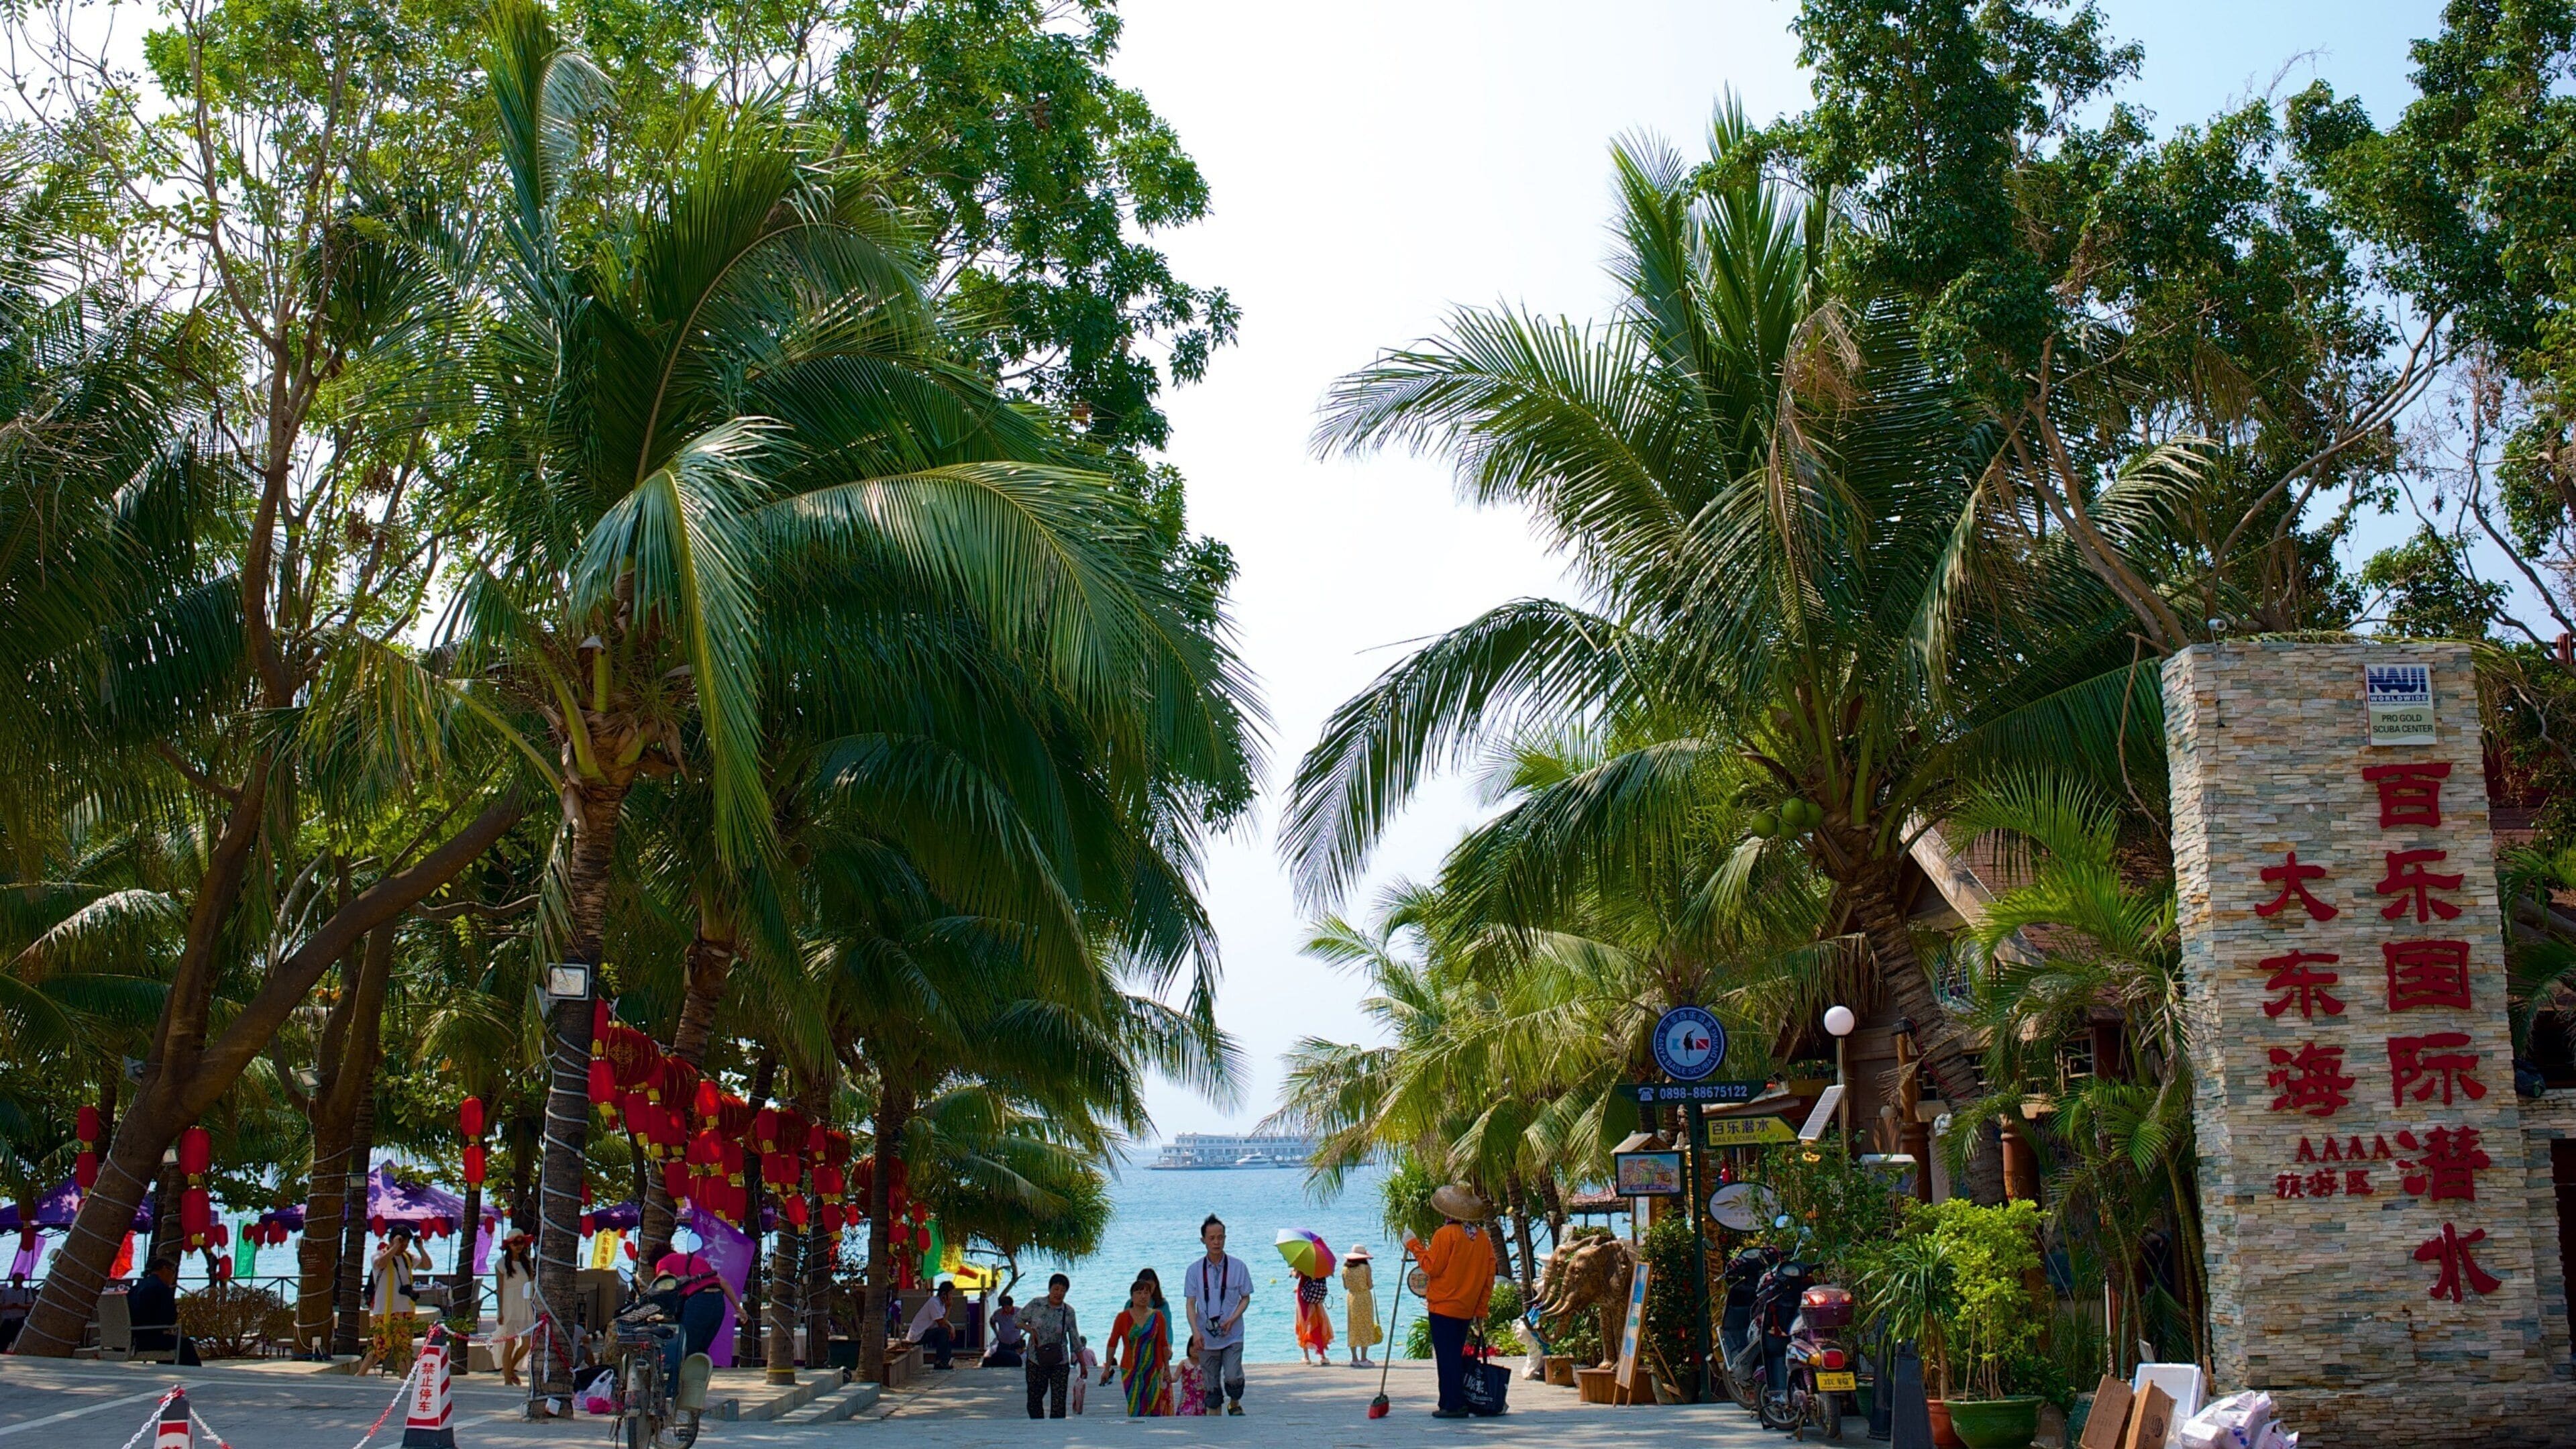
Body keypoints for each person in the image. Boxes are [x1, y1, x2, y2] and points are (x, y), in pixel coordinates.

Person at [1403, 1183, 1498, 1419]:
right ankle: (1454, 1400)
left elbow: (1431, 1268)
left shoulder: (1446, 1235)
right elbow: (1489, 1277)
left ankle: (1453, 1404)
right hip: (1466, 1307)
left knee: (1447, 1357)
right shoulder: (1482, 1238)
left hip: (1444, 1306)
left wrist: (1414, 1245)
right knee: (1454, 1354)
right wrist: (1481, 1309)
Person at [653, 1229, 744, 1393]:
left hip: (699, 1301)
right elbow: (724, 1283)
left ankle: (676, 1393)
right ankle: (696, 1392)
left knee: (685, 1349)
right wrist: (739, 1308)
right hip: (718, 1303)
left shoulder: (663, 1262)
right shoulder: (697, 1260)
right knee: (701, 1350)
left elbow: (665, 1281)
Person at [1182, 1213, 1251, 1415]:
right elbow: (1190, 1303)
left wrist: (1233, 1318)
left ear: (1225, 1238)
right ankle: (1216, 1428)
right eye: (1212, 1238)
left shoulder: (1238, 1267)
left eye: (1220, 1237)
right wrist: (1195, 1332)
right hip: (1206, 1336)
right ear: (1203, 1240)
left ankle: (1235, 1402)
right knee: (1211, 1388)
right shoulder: (1194, 1270)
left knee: (1232, 1377)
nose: (1216, 1242)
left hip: (1233, 1334)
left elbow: (1245, 1297)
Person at [355, 1227, 432, 1375]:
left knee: (404, 1348)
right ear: (392, 1240)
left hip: (405, 1310)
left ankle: (405, 1378)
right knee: (380, 1348)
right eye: (401, 1244)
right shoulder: (379, 1254)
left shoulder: (408, 1258)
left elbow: (428, 1266)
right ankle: (360, 1375)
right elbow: (381, 1264)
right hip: (384, 1310)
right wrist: (395, 1247)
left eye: (406, 1245)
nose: (403, 1248)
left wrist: (420, 1248)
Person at [1101, 1273, 1172, 1415]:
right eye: (1139, 1293)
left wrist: (1167, 1369)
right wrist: (1107, 1368)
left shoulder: (1158, 1316)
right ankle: (1136, 1437)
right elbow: (1112, 1344)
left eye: (1146, 1293)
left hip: (1152, 1370)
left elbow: (1164, 1343)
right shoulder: (1123, 1318)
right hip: (1130, 1369)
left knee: (1154, 1409)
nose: (1143, 1296)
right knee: (1135, 1408)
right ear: (1132, 1296)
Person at [1021, 1273, 1079, 1418]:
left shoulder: (1068, 1311)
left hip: (1060, 1359)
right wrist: (1029, 1329)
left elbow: (1074, 1338)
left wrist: (1082, 1364)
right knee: (1034, 1397)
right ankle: (1037, 1426)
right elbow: (1018, 1319)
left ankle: (1056, 1432)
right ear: (1050, 1289)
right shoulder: (1036, 1304)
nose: (1059, 1293)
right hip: (1036, 1357)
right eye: (1056, 1289)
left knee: (1059, 1400)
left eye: (1063, 1290)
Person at [125, 1257, 201, 1366]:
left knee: (170, 1341)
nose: (173, 1277)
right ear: (165, 1269)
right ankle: (194, 1374)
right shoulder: (161, 1288)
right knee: (185, 1344)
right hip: (145, 1340)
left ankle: (167, 1368)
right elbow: (169, 1320)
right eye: (173, 1272)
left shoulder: (137, 1287)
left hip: (131, 1337)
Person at [494, 1234, 537, 1385]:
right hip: (509, 1305)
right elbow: (500, 1289)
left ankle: (510, 1370)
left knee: (527, 1343)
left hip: (524, 1304)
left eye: (521, 1243)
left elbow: (532, 1284)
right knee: (510, 1343)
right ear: (509, 1245)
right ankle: (507, 1380)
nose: (518, 1246)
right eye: (515, 1243)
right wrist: (500, 1312)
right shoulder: (501, 1264)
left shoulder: (527, 1262)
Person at [906, 1279, 957, 1370]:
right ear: (944, 1294)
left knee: (947, 1331)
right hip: (918, 1335)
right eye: (950, 1294)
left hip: (926, 1331)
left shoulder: (941, 1304)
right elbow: (941, 1323)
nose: (952, 1297)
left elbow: (942, 1319)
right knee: (944, 1331)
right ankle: (939, 1361)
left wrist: (951, 1327)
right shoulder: (934, 1303)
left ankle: (945, 1361)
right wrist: (949, 1308)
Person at [1342, 1245, 1380, 1367]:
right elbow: (1369, 1285)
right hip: (1364, 1297)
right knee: (1365, 1325)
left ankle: (1354, 1358)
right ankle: (1364, 1359)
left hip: (1352, 1297)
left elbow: (1345, 1286)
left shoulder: (1345, 1269)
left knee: (1352, 1326)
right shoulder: (1365, 1268)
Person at [1293, 1267, 1332, 1365]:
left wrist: (1293, 1272)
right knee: (1318, 1323)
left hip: (1304, 1296)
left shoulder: (1302, 1262)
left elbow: (1297, 1276)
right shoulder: (1319, 1263)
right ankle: (1322, 1356)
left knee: (1304, 1322)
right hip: (1315, 1297)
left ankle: (1306, 1357)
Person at [985, 1293, 1024, 1368]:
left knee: (1015, 1363)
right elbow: (992, 1321)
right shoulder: (998, 1313)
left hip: (1015, 1343)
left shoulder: (1020, 1312)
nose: (1006, 1310)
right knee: (1000, 1363)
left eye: (1008, 1308)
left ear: (1012, 1305)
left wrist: (1023, 1333)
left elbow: (1030, 1321)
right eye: (1004, 1308)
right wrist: (996, 1332)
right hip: (1003, 1343)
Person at [1174, 1332, 1208, 1415]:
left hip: (1202, 1397)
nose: (1195, 1349)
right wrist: (1166, 1377)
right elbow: (1175, 1377)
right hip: (1187, 1398)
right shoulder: (1184, 1363)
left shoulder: (1206, 1364)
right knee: (1185, 1415)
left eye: (1198, 1346)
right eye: (1192, 1346)